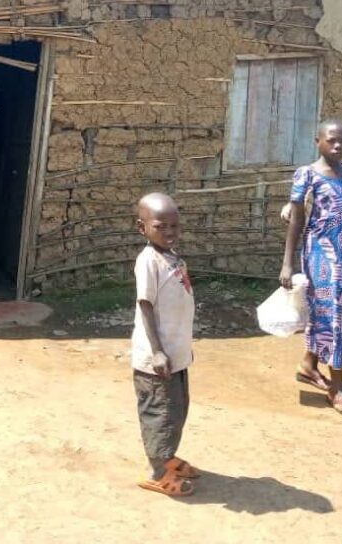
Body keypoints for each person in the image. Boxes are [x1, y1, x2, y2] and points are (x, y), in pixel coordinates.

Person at [280, 120, 342, 418]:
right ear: (318, 142)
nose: (337, 146)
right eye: (332, 140)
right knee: (334, 313)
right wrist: (287, 262)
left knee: (336, 311)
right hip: (323, 255)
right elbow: (297, 219)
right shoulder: (307, 175)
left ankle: (309, 365)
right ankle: (337, 387)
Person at [131, 192, 199, 497]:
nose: (169, 232)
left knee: (176, 409)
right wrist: (157, 351)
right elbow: (145, 305)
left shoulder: (171, 257)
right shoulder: (148, 261)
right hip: (156, 360)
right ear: (142, 228)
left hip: (175, 355)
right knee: (160, 413)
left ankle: (167, 457)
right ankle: (157, 472)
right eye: (161, 226)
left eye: (174, 226)